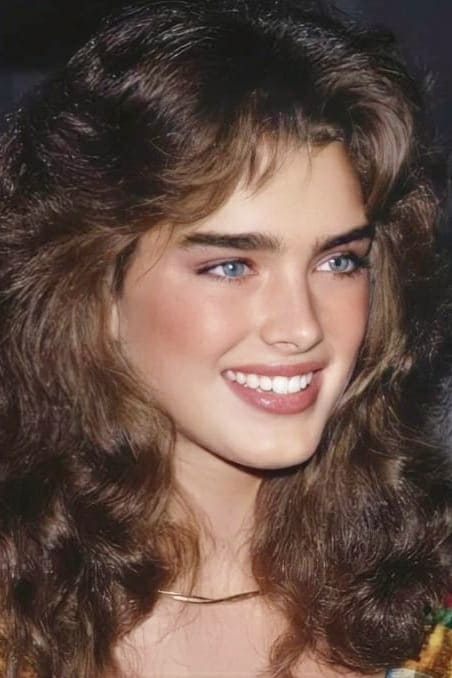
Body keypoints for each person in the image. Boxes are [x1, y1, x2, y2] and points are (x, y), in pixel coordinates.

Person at [0, 1, 450, 676]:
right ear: (96, 290)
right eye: (231, 266)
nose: (301, 326)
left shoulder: (431, 594)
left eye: (338, 261)